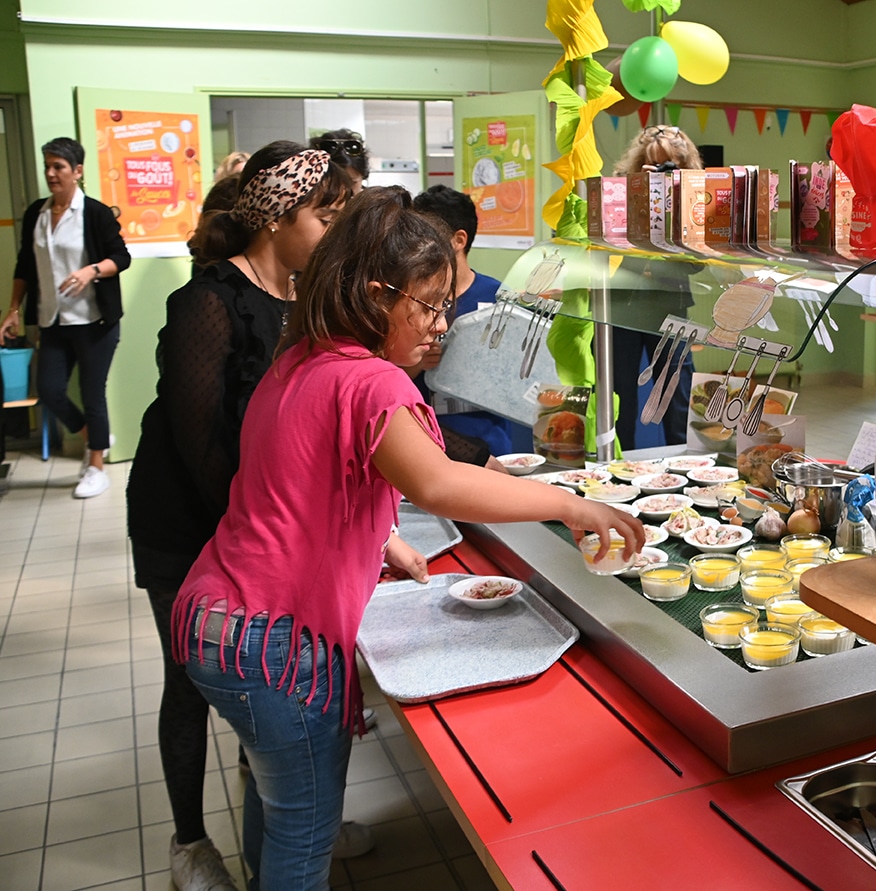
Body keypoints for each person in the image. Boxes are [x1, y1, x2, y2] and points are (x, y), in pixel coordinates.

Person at [172, 186, 644, 890]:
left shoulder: (303, 356)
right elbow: (440, 484)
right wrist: (568, 503)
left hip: (218, 618)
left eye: (444, 305)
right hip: (272, 638)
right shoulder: (373, 383)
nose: (440, 325)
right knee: (304, 835)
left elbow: (297, 483)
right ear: (372, 294)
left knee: (275, 800)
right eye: (426, 306)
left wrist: (378, 541)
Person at [127, 141, 357, 891]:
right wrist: (277, 529)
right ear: (279, 217)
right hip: (188, 516)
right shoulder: (207, 300)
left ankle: (290, 811)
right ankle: (191, 844)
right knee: (190, 679)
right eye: (326, 217)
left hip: (257, 521)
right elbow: (200, 445)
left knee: (267, 674)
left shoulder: (304, 300)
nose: (334, 233)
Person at [3, 137, 131, 498]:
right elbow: (24, 266)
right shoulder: (36, 214)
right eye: (48, 166)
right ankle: (97, 438)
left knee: (93, 394)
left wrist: (91, 270)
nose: (51, 173)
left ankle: (96, 467)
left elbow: (121, 258)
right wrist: (13, 310)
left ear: (77, 171)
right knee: (49, 390)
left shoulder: (95, 213)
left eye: (59, 166)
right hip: (53, 319)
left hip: (93, 320)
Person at [609, 125, 703, 449]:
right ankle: (616, 469)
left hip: (670, 304)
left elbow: (698, 263)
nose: (661, 172)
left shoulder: (693, 198)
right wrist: (640, 198)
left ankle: (685, 465)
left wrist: (676, 203)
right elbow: (607, 247)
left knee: (677, 395)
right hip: (622, 305)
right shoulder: (622, 193)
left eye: (670, 165)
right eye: (654, 165)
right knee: (618, 394)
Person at [409, 185, 512, 460]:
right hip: (424, 441)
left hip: (490, 442)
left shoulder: (498, 296)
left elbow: (518, 378)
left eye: (426, 234)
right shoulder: (408, 296)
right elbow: (386, 374)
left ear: (459, 240)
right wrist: (419, 363)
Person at [310, 129, 369, 193]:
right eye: (334, 185)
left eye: (351, 183)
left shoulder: (373, 201)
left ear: (363, 176)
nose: (344, 192)